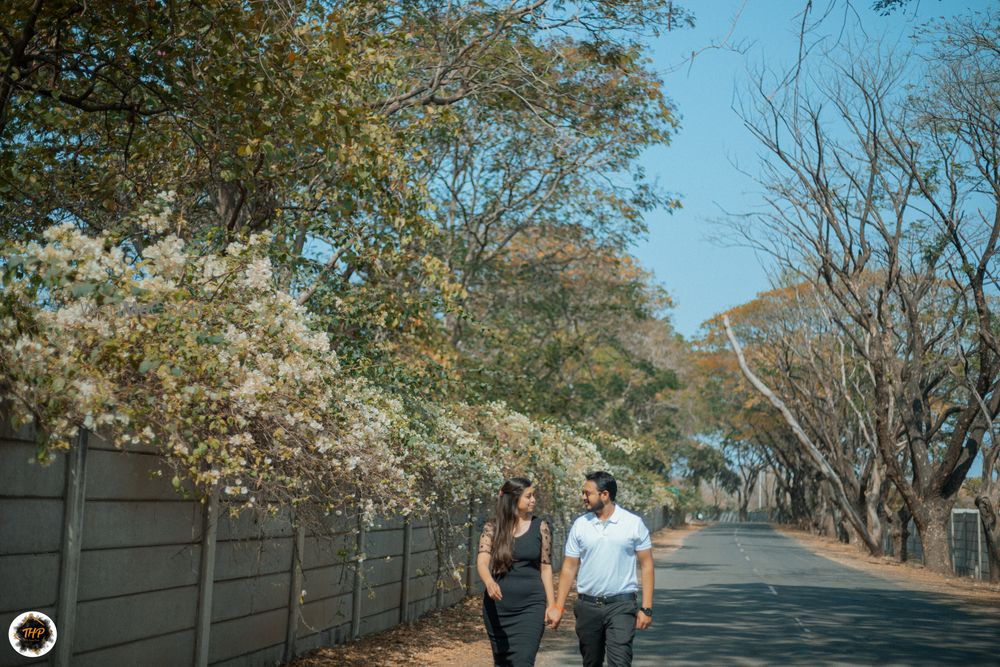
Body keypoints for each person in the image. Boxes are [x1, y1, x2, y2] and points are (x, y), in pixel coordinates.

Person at [546, 471, 654, 667]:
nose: (583, 497)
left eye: (587, 493)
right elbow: (569, 567)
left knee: (620, 662)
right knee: (591, 662)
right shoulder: (580, 525)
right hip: (587, 607)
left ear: (604, 495)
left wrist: (646, 608)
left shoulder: (633, 523)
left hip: (621, 605)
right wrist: (558, 607)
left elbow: (647, 565)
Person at [477, 477, 556, 667]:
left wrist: (552, 605)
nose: (533, 500)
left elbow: (546, 568)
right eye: (528, 496)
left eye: (533, 495)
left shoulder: (541, 527)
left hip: (531, 606)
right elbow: (482, 561)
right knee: (503, 663)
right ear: (513, 498)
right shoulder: (492, 527)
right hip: (498, 609)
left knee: (523, 661)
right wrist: (489, 582)